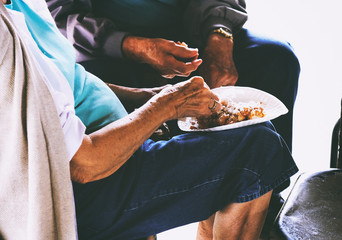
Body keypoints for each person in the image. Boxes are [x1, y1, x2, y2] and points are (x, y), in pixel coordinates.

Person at [1, 1, 298, 240]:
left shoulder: (21, 7)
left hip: (105, 141)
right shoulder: (6, 38)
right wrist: (163, 106)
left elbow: (69, 79)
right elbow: (83, 164)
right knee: (258, 150)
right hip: (90, 182)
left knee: (248, 110)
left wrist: (146, 96)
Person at [46, 0, 300, 153]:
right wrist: (136, 47)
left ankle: (263, 194)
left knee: (275, 60)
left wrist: (219, 34)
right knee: (96, 98)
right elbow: (56, 16)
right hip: (104, 49)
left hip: (191, 32)